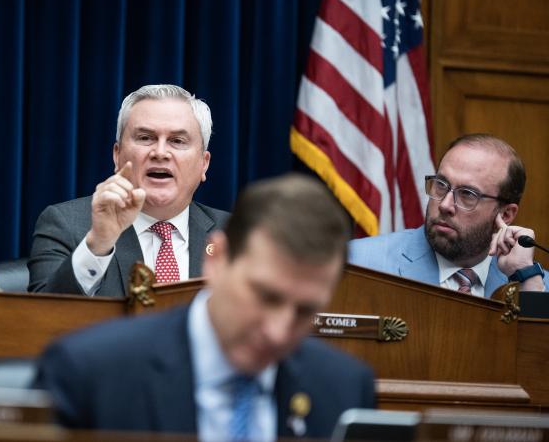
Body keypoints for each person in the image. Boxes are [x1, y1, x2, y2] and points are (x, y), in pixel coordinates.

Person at [35, 174, 376, 440]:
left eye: (305, 311)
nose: (277, 331)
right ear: (218, 259)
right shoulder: (91, 373)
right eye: (265, 297)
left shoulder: (345, 387)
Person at [28, 84, 229, 296]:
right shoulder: (66, 224)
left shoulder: (234, 234)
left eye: (177, 141)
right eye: (145, 138)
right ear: (117, 155)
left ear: (203, 164)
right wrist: (98, 243)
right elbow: (43, 318)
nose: (160, 153)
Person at [349, 134, 549, 297]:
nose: (445, 205)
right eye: (441, 185)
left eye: (468, 195)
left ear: (505, 214)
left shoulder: (537, 286)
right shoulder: (356, 264)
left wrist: (526, 277)